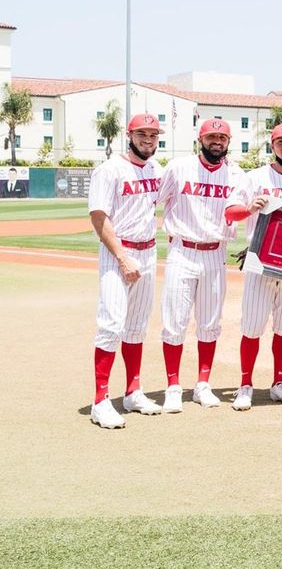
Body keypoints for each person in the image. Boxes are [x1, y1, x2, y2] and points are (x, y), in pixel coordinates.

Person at [157, 118, 252, 412]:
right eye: (212, 136)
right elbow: (154, 200)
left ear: (229, 142)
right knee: (174, 322)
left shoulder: (237, 174)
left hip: (215, 252)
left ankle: (202, 384)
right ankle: (173, 386)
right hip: (182, 250)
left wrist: (250, 209)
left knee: (209, 323)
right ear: (201, 139)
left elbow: (236, 212)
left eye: (222, 138)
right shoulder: (177, 167)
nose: (217, 142)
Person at [229, 123, 282, 411]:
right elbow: (231, 212)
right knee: (252, 327)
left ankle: (279, 382)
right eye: (281, 142)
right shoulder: (254, 178)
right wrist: (250, 208)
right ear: (272, 144)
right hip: (261, 263)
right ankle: (245, 385)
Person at [87, 113, 165, 428]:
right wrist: (121, 257)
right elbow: (98, 218)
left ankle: (132, 391)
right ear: (129, 134)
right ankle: (100, 401)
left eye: (153, 135)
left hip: (148, 251)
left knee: (136, 327)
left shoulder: (157, 169)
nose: (148, 140)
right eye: (142, 134)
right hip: (119, 252)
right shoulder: (110, 170)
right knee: (111, 325)